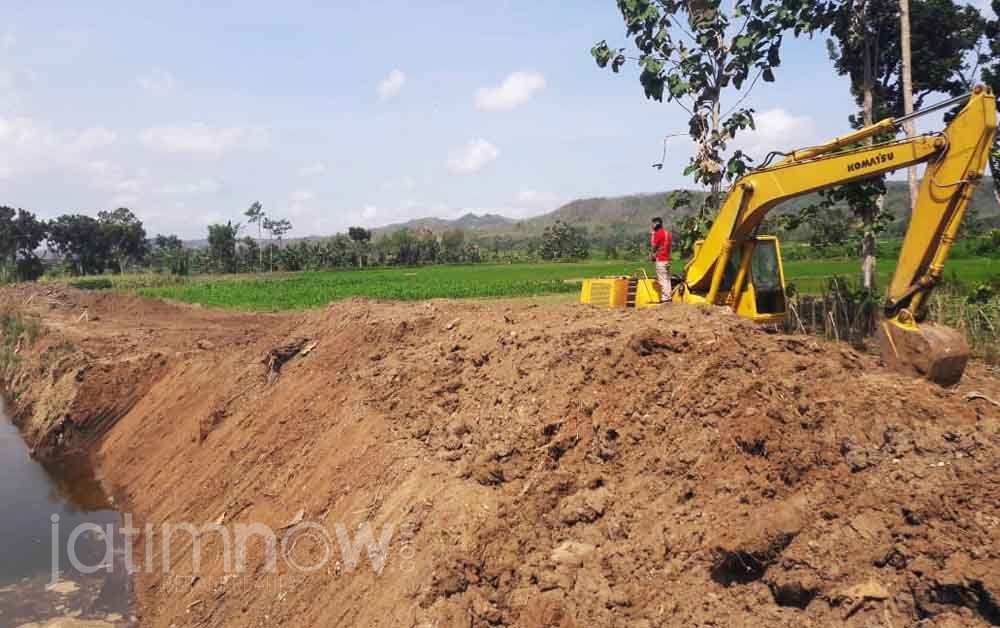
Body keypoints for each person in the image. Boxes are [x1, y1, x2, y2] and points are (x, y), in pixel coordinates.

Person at [650, 217, 672, 303]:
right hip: (667, 259)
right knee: (667, 279)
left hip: (661, 259)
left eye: (652, 224)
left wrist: (652, 236)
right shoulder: (668, 234)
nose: (651, 226)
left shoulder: (658, 234)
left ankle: (665, 299)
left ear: (656, 224)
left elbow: (654, 247)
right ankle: (668, 297)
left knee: (662, 280)